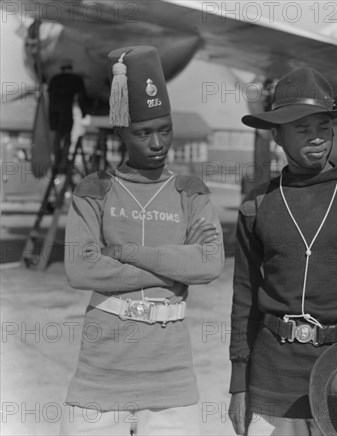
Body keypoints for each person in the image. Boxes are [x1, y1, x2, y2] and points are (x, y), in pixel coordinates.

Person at [228, 67, 337, 435]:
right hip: (273, 375)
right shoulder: (258, 203)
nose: (316, 138)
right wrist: (238, 383)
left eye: (323, 126)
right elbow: (244, 296)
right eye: (302, 128)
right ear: (276, 134)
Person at [60, 46, 224, 435]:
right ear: (121, 132)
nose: (157, 143)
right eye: (143, 133)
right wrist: (172, 268)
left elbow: (209, 263)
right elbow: (80, 267)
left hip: (171, 382)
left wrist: (129, 253)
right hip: (100, 378)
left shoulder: (190, 191)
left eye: (164, 130)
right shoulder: (95, 188)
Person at [48, 60, 87, 167]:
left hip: (53, 111)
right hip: (65, 110)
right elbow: (80, 97)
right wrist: (84, 112)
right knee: (66, 136)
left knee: (57, 136)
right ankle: (64, 162)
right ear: (71, 68)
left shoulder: (54, 78)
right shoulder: (76, 79)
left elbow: (49, 95)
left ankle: (56, 161)